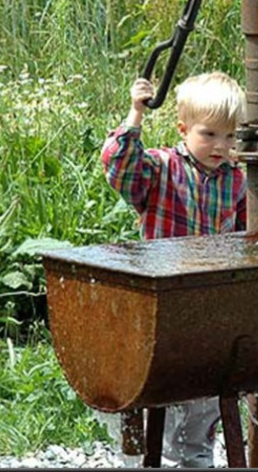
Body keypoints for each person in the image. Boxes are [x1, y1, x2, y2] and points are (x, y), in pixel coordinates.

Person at [101, 71, 247, 468]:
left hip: (208, 302)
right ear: (183, 129)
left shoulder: (236, 181)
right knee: (151, 385)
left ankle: (195, 454)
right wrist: (135, 114)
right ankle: (139, 449)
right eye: (210, 134)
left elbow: (247, 238)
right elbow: (120, 167)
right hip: (161, 302)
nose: (221, 146)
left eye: (230, 136)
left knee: (204, 389)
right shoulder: (161, 169)